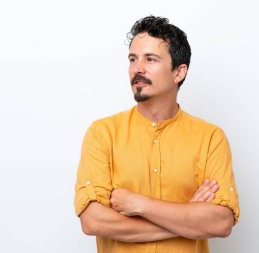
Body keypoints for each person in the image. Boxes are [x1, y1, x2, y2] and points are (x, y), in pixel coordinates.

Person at [74, 15, 240, 253]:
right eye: (133, 59)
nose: (137, 69)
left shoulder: (210, 138)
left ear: (178, 72)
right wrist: (185, 219)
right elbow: (93, 221)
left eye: (150, 59)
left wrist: (138, 204)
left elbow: (221, 222)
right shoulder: (102, 134)